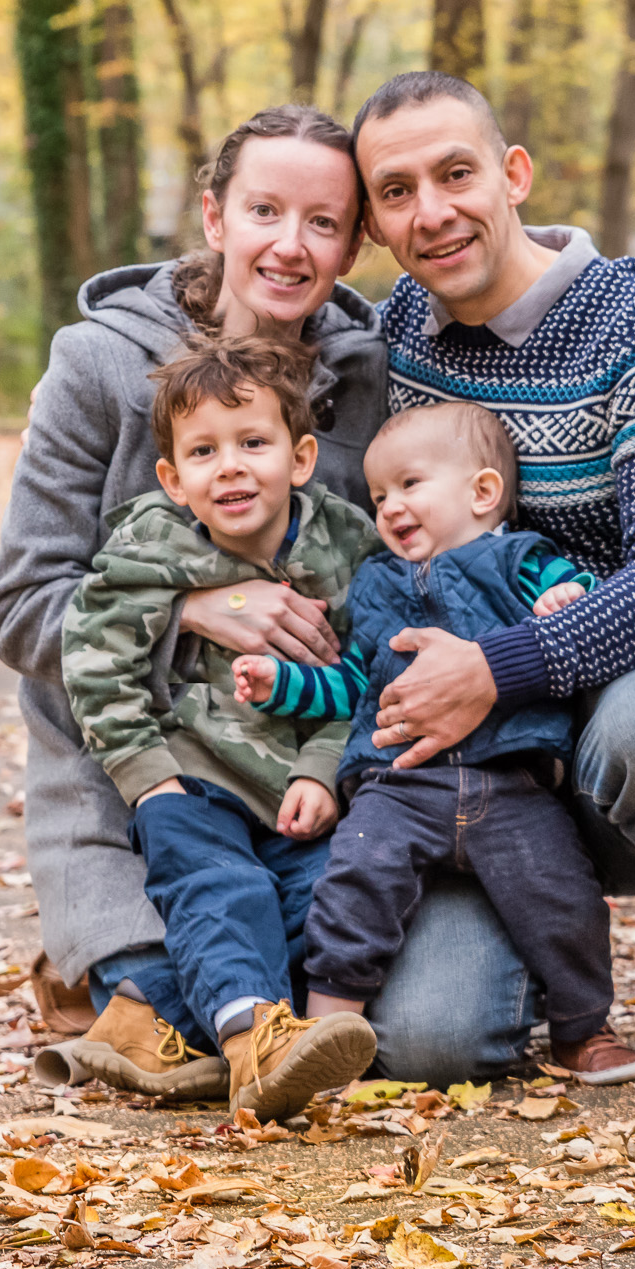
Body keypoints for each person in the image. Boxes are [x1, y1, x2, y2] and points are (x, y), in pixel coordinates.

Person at [345, 71, 635, 1074]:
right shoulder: (390, 345)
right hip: (485, 772)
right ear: (372, 223)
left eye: (456, 173)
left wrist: (491, 668)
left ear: (513, 176)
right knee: (427, 1042)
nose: (434, 211)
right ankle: (543, 959)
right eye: (398, 190)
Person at [0, 104, 440, 1100]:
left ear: (353, 242)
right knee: (205, 991)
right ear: (214, 216)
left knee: (356, 1012)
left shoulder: (371, 385)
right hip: (140, 766)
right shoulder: (98, 364)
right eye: (264, 210)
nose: (290, 244)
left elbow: (393, 576)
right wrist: (197, 605)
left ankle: (145, 1006)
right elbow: (22, 605)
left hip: (298, 763)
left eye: (323, 223)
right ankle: (122, 983)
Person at [232, 400, 635, 1083]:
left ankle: (583, 1028)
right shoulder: (376, 586)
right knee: (352, 886)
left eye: (410, 485)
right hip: (398, 788)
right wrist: (282, 684)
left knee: (562, 898)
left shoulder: (520, 560)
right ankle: (325, 1031)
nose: (390, 506)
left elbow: (589, 600)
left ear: (483, 492)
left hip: (510, 782)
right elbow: (353, 686)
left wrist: (566, 600)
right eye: (380, 495)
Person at [63, 337, 381, 1119]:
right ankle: (253, 1048)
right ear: (172, 478)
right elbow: (94, 661)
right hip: (190, 785)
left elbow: (366, 678)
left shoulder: (346, 546)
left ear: (301, 457)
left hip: (296, 798)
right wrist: (149, 780)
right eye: (203, 451)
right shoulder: (150, 546)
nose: (230, 467)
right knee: (222, 891)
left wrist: (320, 768)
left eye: (253, 443)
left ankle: (151, 1021)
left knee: (329, 907)